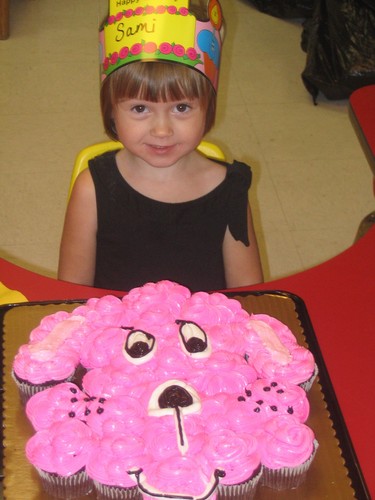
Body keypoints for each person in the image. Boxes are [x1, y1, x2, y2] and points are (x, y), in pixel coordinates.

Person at [58, 0, 263, 292]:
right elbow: (70, 298)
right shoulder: (91, 189)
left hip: (203, 337)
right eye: (140, 108)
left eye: (181, 107)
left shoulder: (230, 191)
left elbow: (250, 297)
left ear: (208, 108)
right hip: (114, 335)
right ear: (111, 112)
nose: (162, 130)